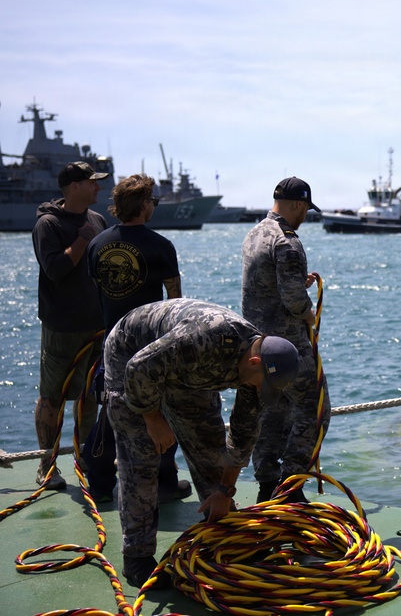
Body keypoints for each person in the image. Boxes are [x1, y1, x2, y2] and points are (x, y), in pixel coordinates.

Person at [104, 298, 299, 589]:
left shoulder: (256, 371)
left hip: (188, 372)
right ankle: (137, 557)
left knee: (209, 447)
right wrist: (153, 418)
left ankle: (221, 524)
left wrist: (224, 490)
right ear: (254, 363)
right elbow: (138, 368)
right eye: (263, 384)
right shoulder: (202, 339)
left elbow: (243, 436)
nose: (261, 390)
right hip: (131, 358)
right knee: (141, 458)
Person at [85, 174, 191, 504]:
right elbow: (175, 300)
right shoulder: (161, 246)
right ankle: (165, 481)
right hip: (150, 344)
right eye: (152, 201)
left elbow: (97, 294)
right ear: (144, 204)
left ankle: (99, 483)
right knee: (161, 409)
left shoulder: (96, 244)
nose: (153, 206)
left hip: (112, 341)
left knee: (111, 408)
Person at [241, 176, 331, 503]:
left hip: (257, 346)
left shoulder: (255, 234)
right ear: (296, 204)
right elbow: (293, 301)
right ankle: (291, 486)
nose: (305, 215)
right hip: (288, 347)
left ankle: (267, 485)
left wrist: (297, 283)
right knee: (315, 408)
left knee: (271, 414)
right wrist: (308, 314)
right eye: (305, 208)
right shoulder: (288, 242)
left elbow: (268, 284)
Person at [31, 160, 109, 489]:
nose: (98, 187)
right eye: (92, 182)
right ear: (74, 186)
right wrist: (82, 240)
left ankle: (85, 457)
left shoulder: (98, 219)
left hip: (96, 325)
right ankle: (46, 466)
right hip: (62, 327)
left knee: (90, 395)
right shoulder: (48, 224)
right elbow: (55, 270)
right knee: (52, 397)